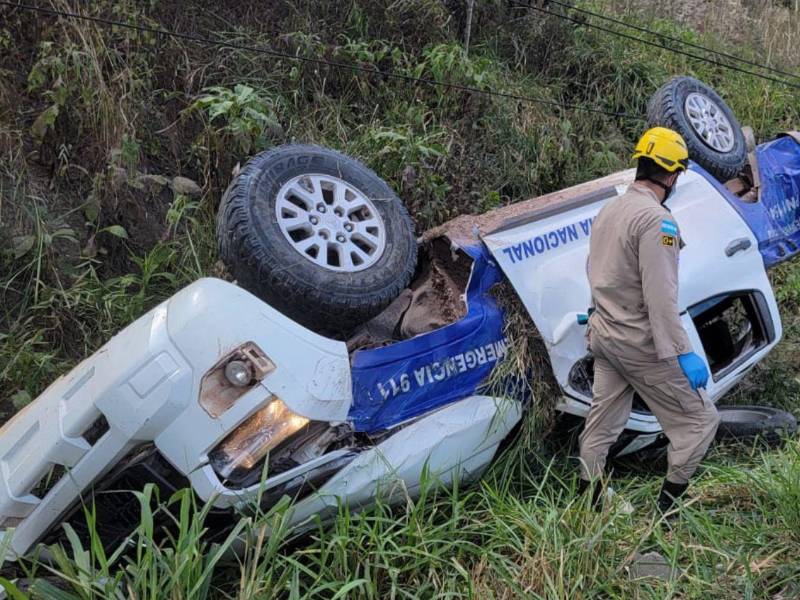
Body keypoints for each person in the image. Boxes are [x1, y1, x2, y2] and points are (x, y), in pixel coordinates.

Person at [577, 127, 721, 513]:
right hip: (639, 343)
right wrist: (682, 352)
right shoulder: (658, 222)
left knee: (602, 423)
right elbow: (661, 297)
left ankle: (589, 505)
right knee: (701, 421)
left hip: (604, 335)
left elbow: (595, 270)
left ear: (641, 164)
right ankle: (666, 513)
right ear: (672, 175)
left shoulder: (610, 210)